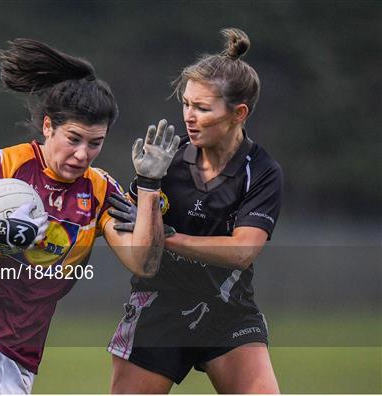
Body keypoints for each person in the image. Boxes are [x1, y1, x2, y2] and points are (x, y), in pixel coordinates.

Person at [0, 39, 180, 394]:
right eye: (73, 138)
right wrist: (3, 228)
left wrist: (149, 188)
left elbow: (143, 263)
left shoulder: (100, 190)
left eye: (95, 143)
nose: (82, 154)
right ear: (47, 126)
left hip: (22, 347)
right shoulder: (9, 164)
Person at [107, 28, 283, 394]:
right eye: (186, 103)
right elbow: (138, 248)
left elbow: (242, 251)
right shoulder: (161, 161)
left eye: (202, 108)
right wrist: (148, 184)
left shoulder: (262, 171)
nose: (189, 116)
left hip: (227, 309)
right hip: (158, 307)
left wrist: (168, 239)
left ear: (239, 113)